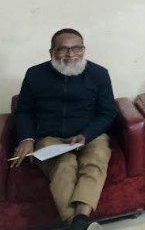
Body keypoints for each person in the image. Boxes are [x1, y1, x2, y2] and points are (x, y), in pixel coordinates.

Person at [12, 28, 117, 230]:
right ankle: (79, 224)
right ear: (52, 52)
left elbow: (107, 112)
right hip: (49, 137)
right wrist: (26, 138)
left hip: (89, 134)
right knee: (64, 164)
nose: (70, 55)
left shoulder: (99, 74)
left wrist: (86, 135)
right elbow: (24, 110)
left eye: (76, 48)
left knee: (96, 159)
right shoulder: (35, 74)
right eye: (63, 49)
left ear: (83, 50)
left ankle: (79, 221)